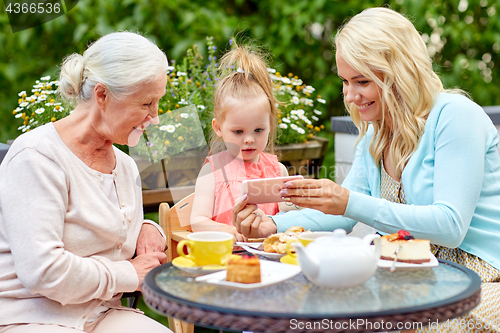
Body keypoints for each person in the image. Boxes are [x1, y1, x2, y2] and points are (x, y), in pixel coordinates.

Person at [233, 7, 500, 331]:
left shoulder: (456, 117)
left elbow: (450, 226)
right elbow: (342, 213)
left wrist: (347, 200)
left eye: (361, 81)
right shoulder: (377, 133)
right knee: (299, 308)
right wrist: (272, 224)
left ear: (400, 72)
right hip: (404, 271)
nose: (349, 95)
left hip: (479, 277)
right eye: (345, 81)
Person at [0, 32, 172, 333]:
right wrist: (129, 274)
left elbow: (117, 237)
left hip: (100, 314)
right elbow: (44, 271)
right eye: (147, 103)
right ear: (102, 96)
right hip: (29, 316)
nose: (155, 117)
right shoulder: (37, 157)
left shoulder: (125, 166)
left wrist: (148, 229)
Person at [190, 44, 297, 242]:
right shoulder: (212, 171)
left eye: (258, 130)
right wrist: (229, 231)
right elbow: (197, 221)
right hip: (226, 257)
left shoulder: (277, 170)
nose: (249, 139)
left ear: (270, 125)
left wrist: (296, 207)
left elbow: (288, 218)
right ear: (218, 127)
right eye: (238, 131)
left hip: (270, 257)